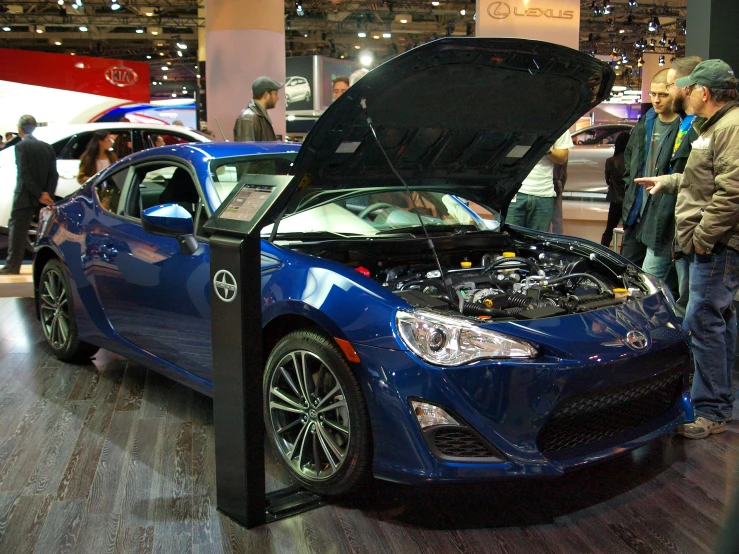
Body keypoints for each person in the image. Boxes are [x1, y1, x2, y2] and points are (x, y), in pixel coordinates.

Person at [636, 59, 739, 439]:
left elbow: (732, 193)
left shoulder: (730, 128)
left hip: (717, 246)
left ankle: (711, 409)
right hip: (713, 243)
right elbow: (704, 180)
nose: (685, 94)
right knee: (718, 320)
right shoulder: (715, 127)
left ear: (705, 93)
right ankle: (719, 401)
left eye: (690, 88)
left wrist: (701, 236)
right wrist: (669, 180)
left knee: (702, 321)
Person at [620, 69, 680, 269]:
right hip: (636, 211)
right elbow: (629, 158)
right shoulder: (645, 121)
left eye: (663, 94)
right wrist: (630, 188)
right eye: (652, 94)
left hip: (663, 218)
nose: (656, 100)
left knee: (655, 280)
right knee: (626, 274)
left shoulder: (684, 127)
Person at [0, 115, 56, 275]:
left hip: (25, 196)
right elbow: (53, 174)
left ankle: (12, 266)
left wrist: (38, 194)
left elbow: (24, 174)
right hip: (44, 196)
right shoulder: (47, 147)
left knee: (17, 230)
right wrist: (47, 193)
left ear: (19, 128)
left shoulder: (21, 147)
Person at [506, 131, 573, 232]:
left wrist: (544, 148)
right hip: (513, 191)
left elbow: (562, 157)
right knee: (508, 241)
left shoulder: (557, 121)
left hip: (543, 193)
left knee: (536, 244)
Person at [600, 131, 630, 247]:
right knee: (627, 231)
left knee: (609, 229)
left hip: (615, 199)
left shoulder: (611, 161)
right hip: (629, 200)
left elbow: (608, 181)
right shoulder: (632, 161)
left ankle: (602, 253)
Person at [233, 76, 283, 142]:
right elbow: (247, 150)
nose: (278, 97)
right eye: (275, 94)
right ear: (266, 95)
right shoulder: (248, 118)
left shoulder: (257, 116)